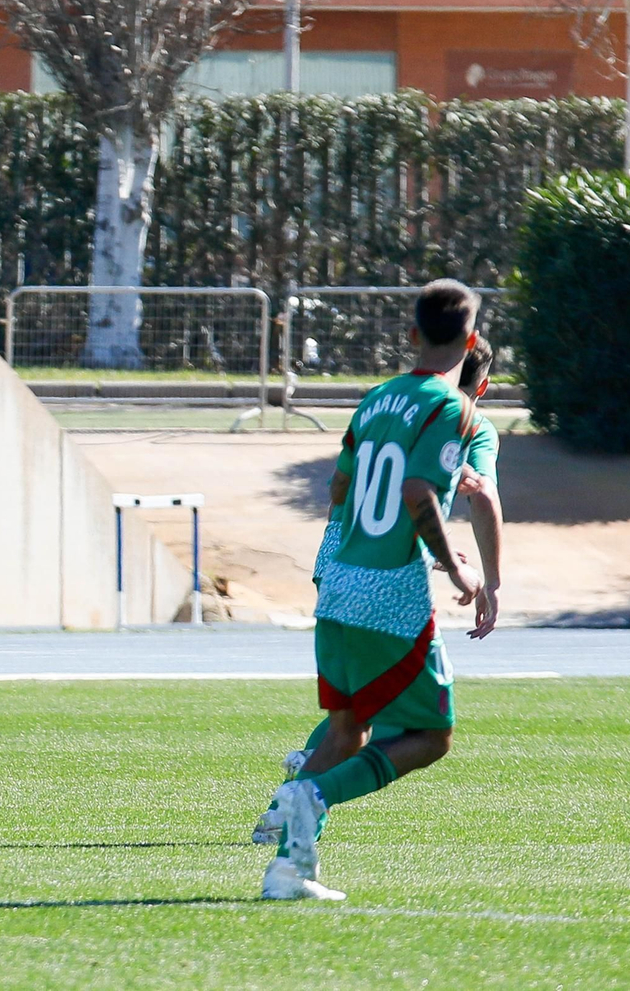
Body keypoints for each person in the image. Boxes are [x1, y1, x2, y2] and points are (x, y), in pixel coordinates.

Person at [260, 279, 487, 902]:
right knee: (431, 736)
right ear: (471, 342)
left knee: (345, 731)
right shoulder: (453, 408)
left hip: (339, 584)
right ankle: (312, 792)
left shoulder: (376, 399)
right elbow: (418, 493)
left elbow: (337, 487)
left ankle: (288, 872)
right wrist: (458, 568)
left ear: (411, 335)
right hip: (392, 591)